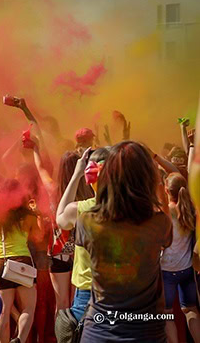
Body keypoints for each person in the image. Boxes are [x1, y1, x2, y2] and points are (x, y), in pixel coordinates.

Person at [75, 141, 172, 342]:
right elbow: (165, 227)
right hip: (147, 333)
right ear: (147, 179)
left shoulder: (87, 221)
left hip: (98, 332)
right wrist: (159, 184)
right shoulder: (158, 224)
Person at [56, 147, 111, 322]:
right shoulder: (129, 209)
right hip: (120, 292)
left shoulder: (79, 210)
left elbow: (60, 219)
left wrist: (76, 175)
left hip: (87, 293)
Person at [0, 179, 38, 343]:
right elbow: (38, 237)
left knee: (3, 311)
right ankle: (19, 339)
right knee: (28, 308)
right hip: (23, 263)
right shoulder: (29, 216)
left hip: (3, 264)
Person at [162, 173, 200, 342]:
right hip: (187, 269)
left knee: (167, 314)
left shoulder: (165, 213)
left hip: (167, 271)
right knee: (191, 309)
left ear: (166, 190)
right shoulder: (191, 209)